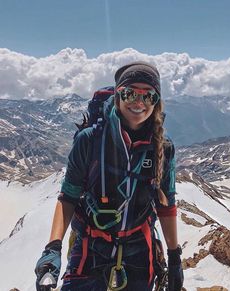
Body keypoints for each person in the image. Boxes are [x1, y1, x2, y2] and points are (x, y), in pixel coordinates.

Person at [35, 61, 184, 291]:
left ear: (157, 102)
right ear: (117, 95)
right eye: (130, 93)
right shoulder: (89, 140)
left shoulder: (163, 149)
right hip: (90, 246)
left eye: (149, 96)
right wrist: (53, 248)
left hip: (140, 251)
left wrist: (174, 257)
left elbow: (166, 205)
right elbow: (68, 197)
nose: (139, 102)